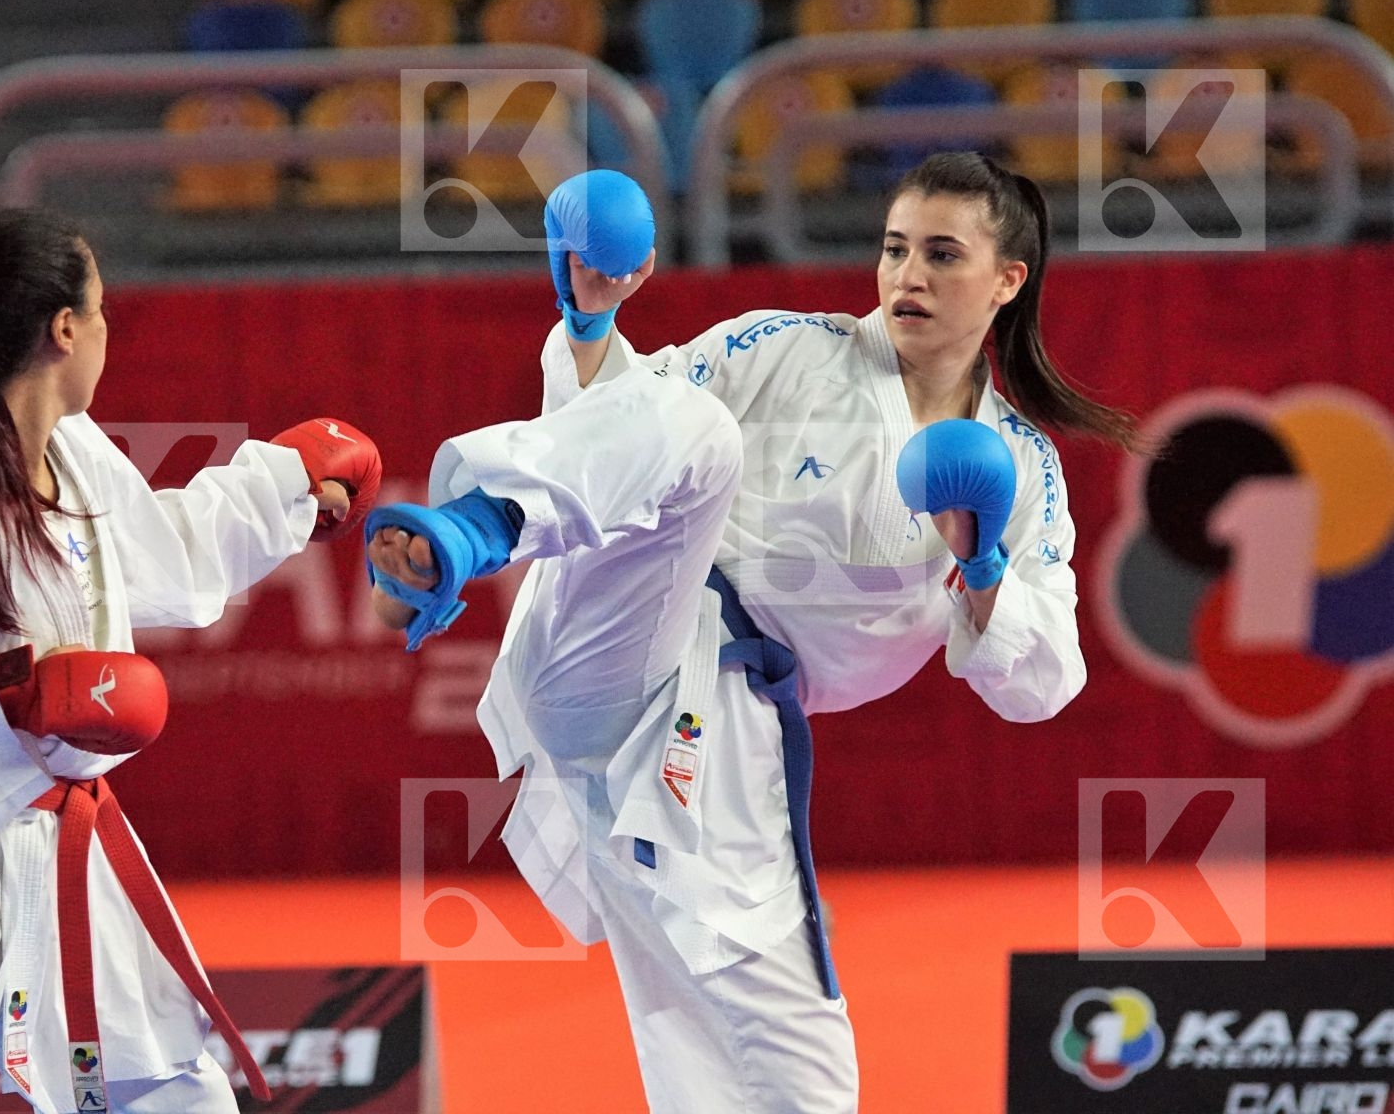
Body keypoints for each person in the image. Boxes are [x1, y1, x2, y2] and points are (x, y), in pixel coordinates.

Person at [364, 157, 1136, 1113]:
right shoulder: (790, 347)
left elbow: (1045, 684)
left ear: (1007, 280)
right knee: (695, 427)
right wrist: (593, 327)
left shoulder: (1020, 466)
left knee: (789, 1073)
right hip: (626, 631)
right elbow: (625, 427)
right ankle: (474, 532)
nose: (908, 276)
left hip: (724, 742)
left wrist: (981, 569)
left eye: (942, 255)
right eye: (895, 249)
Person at [0, 208, 382, 1114]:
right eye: (101, 312)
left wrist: (283, 483)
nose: (106, 331)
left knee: (180, 1101)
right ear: (64, 329)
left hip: (57, 851)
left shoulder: (71, 452)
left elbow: (164, 559)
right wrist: (7, 707)